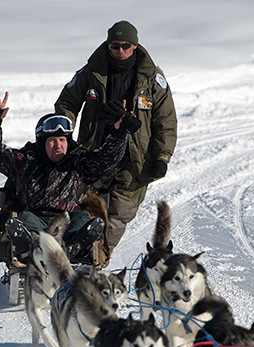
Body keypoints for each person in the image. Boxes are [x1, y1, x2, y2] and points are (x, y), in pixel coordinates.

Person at [54, 20, 177, 259]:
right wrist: (63, 134)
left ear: (135, 46)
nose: (120, 51)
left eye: (125, 45)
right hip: (94, 153)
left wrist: (162, 157)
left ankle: (96, 261)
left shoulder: (153, 79)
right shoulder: (91, 72)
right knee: (86, 209)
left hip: (134, 160)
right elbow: (66, 103)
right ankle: (71, 258)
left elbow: (166, 122)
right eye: (114, 46)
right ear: (108, 46)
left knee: (120, 213)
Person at [0, 91, 139, 263]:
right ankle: (35, 245)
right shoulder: (25, 161)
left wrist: (119, 133)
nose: (58, 145)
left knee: (84, 218)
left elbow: (108, 157)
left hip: (68, 220)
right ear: (42, 142)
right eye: (52, 141)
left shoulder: (80, 163)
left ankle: (72, 248)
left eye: (62, 140)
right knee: (24, 217)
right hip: (36, 219)